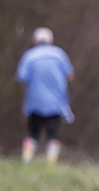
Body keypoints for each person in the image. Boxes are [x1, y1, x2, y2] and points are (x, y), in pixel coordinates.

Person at [16, 28, 73, 164]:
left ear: (35, 41)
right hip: (56, 102)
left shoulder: (29, 56)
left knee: (33, 133)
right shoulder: (59, 55)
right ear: (51, 40)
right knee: (52, 135)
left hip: (34, 101)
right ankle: (51, 162)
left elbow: (22, 77)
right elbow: (70, 75)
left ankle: (27, 160)